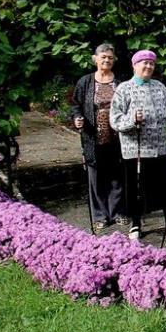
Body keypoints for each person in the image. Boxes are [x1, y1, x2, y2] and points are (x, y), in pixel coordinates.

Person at [109, 49, 166, 241]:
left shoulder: (159, 87)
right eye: (144, 63)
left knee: (165, 187)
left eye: (152, 63)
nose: (149, 66)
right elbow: (115, 119)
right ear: (134, 65)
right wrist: (132, 120)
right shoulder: (124, 89)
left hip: (160, 148)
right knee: (136, 189)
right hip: (135, 150)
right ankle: (135, 224)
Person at [70, 43, 127, 229]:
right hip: (93, 137)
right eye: (103, 56)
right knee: (96, 176)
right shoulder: (85, 82)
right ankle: (100, 216)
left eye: (110, 57)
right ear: (95, 59)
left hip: (117, 136)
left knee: (117, 175)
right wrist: (78, 118)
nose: (106, 60)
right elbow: (76, 104)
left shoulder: (120, 81)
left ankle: (118, 212)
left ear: (114, 60)